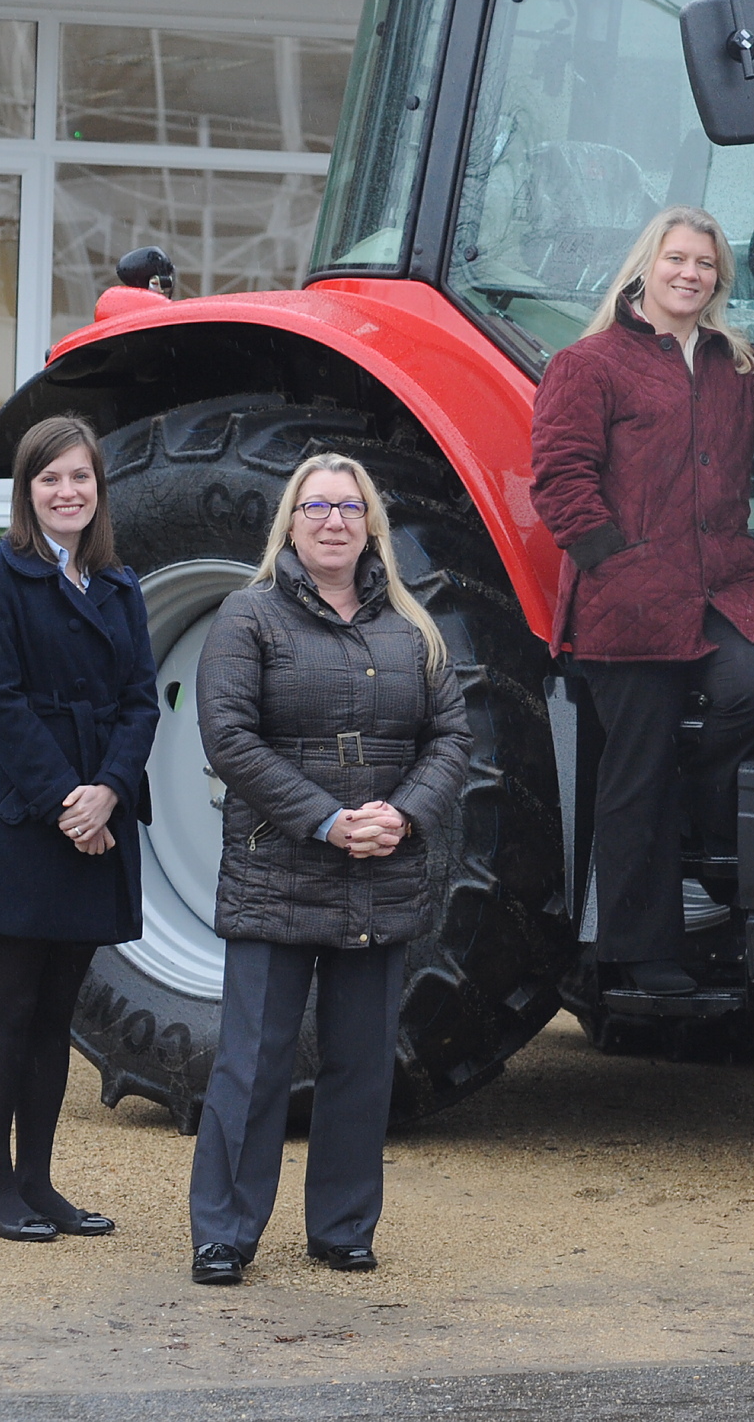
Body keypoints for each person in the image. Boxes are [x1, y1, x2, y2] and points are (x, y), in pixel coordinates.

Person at [529, 204, 754, 996]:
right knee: (633, 770)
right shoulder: (588, 363)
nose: (689, 274)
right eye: (677, 259)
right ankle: (639, 953)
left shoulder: (727, 362)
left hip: (724, 585)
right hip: (628, 597)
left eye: (704, 265)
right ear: (647, 266)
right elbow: (559, 479)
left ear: (717, 281)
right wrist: (613, 562)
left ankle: (701, 823)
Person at [185, 453, 471, 1286]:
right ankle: (224, 1234)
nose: (333, 521)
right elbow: (228, 738)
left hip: (379, 871)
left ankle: (344, 1227)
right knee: (252, 1063)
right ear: (291, 521)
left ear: (370, 523)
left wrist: (402, 814)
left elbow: (451, 738)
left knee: (361, 1063)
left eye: (349, 507)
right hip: (277, 870)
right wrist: (326, 820)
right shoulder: (247, 617)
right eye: (316, 507)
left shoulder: (412, 628)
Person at [0, 414, 158, 1243]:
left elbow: (141, 703)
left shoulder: (119, 585)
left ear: (98, 489)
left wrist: (107, 792)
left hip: (99, 820)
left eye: (80, 477)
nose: (67, 492)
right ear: (27, 490)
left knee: (57, 1013)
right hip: (24, 818)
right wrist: (67, 803)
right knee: (10, 1004)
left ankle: (38, 1182)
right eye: (50, 479)